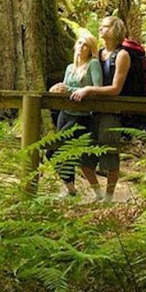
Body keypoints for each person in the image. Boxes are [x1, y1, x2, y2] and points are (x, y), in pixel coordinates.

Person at [70, 15, 131, 200]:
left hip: (110, 113)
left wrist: (89, 89)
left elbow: (115, 89)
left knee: (110, 155)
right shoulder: (99, 54)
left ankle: (109, 198)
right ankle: (97, 193)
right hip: (92, 112)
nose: (101, 29)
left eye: (105, 27)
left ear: (114, 30)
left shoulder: (122, 55)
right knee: (84, 157)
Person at [49, 31, 104, 197]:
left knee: (53, 150)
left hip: (81, 117)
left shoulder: (93, 64)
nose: (81, 47)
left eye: (86, 44)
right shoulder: (70, 68)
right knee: (61, 152)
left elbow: (97, 88)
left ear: (91, 49)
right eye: (79, 43)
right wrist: (54, 90)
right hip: (64, 114)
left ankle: (93, 192)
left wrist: (72, 90)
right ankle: (71, 190)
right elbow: (64, 88)